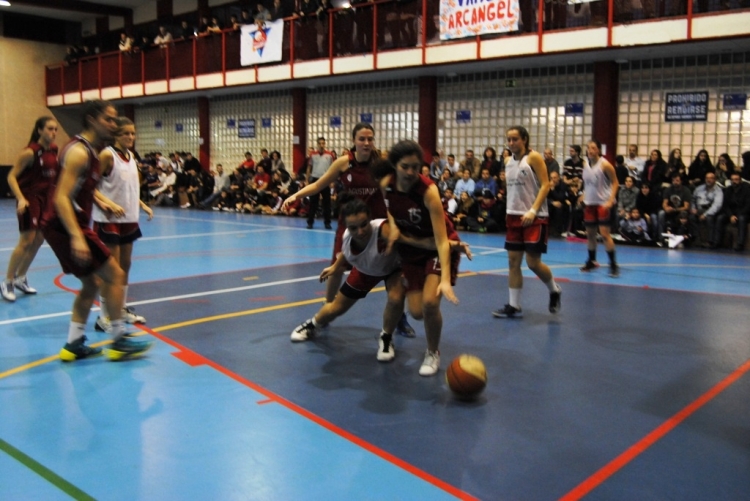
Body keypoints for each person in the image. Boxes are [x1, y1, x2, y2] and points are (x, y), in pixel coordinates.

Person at [40, 100, 153, 361]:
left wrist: (104, 202)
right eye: (108, 119)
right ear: (92, 120)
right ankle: (118, 340)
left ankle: (73, 344)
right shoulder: (80, 152)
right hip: (64, 225)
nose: (114, 124)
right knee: (115, 274)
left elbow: (83, 191)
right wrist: (77, 236)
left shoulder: (91, 150)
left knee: (92, 283)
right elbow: (61, 197)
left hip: (65, 224)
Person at [282, 123, 415, 337]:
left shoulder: (381, 164)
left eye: (370, 139)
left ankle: (400, 318)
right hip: (350, 226)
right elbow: (318, 185)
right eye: (362, 139)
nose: (366, 143)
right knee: (336, 267)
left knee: (392, 271)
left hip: (378, 226)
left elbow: (396, 190)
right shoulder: (343, 163)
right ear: (354, 140)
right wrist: (296, 195)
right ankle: (327, 308)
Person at [376, 140, 462, 376]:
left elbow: (442, 241)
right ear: (394, 165)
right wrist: (393, 226)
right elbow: (389, 209)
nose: (410, 172)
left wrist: (445, 280)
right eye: (405, 166)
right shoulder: (386, 185)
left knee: (430, 303)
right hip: (410, 251)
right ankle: (387, 335)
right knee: (416, 311)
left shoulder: (428, 192)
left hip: (435, 247)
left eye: (415, 167)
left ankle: (432, 352)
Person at [290, 196, 404, 362]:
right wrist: (335, 267)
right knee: (337, 308)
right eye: (353, 228)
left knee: (396, 298)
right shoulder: (347, 237)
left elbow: (404, 245)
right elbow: (346, 252)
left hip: (393, 269)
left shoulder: (383, 230)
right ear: (346, 226)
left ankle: (386, 337)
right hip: (366, 270)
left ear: (370, 219)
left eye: (364, 224)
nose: (360, 232)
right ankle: (312, 324)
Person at [91, 117, 154, 331]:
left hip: (129, 219)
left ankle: (121, 308)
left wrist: (142, 204)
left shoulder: (131, 157)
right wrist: (108, 204)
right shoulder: (107, 155)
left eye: (133, 133)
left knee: (125, 266)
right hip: (108, 220)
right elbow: (90, 186)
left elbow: (129, 189)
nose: (130, 137)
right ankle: (104, 317)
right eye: (126, 133)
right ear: (116, 134)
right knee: (112, 270)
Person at [493, 126, 562, 319]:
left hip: (535, 216)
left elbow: (546, 185)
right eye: (509, 139)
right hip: (514, 216)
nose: (511, 143)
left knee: (533, 263)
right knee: (513, 262)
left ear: (524, 139)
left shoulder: (533, 158)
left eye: (515, 139)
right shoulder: (507, 161)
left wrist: (532, 210)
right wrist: (509, 210)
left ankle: (554, 289)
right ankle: (514, 305)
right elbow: (513, 189)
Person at [2, 117, 59, 302]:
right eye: (50, 129)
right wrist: (20, 198)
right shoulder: (29, 152)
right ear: (40, 130)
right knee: (26, 240)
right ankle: (7, 281)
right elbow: (11, 177)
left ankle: (21, 277)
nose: (53, 133)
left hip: (46, 199)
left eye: (55, 129)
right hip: (30, 198)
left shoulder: (54, 150)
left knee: (39, 239)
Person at [580, 139, 620, 277]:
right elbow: (587, 183)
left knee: (604, 234)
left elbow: (615, 183)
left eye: (593, 148)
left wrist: (610, 200)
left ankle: (613, 265)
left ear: (598, 150)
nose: (590, 150)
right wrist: (583, 195)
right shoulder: (585, 164)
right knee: (590, 234)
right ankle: (591, 261)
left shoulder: (605, 165)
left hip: (603, 203)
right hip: (590, 203)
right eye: (588, 147)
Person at [306, 137, 336, 229]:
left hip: (325, 180)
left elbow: (333, 168)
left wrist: (332, 181)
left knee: (326, 203)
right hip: (315, 180)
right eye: (320, 143)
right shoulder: (312, 155)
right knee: (313, 202)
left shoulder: (330, 155)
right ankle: (310, 222)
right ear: (317, 144)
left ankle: (327, 223)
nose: (322, 145)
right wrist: (307, 180)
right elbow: (309, 168)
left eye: (323, 143)